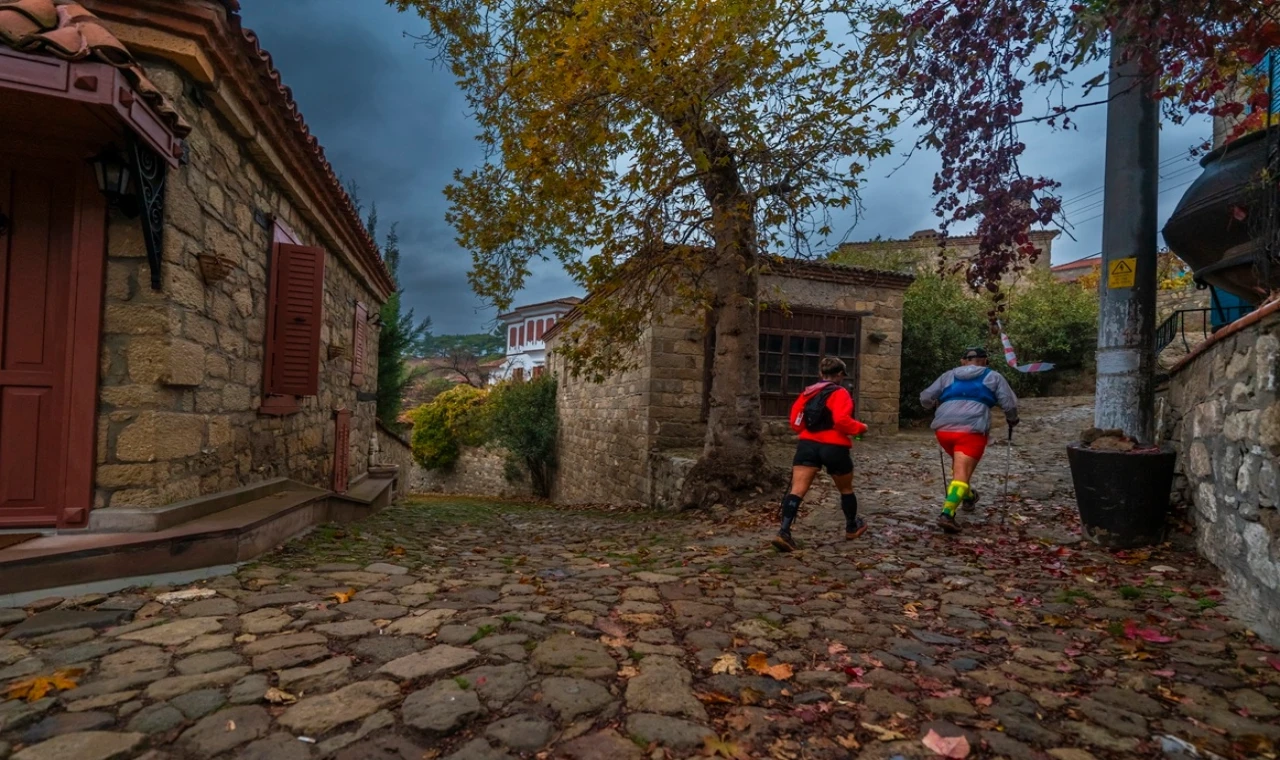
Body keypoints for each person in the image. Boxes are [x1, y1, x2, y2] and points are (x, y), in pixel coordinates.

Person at [772, 357, 869, 552]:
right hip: (834, 446)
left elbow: (795, 422)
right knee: (846, 489)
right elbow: (841, 421)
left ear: (820, 374)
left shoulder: (807, 393)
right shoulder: (840, 393)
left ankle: (784, 531)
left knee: (797, 490)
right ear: (840, 375)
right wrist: (860, 428)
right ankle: (852, 526)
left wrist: (808, 433)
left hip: (807, 445)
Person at [919, 346, 1019, 534]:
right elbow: (1009, 403)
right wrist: (1012, 419)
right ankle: (947, 514)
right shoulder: (994, 376)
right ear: (985, 361)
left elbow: (925, 397)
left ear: (963, 361)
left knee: (960, 469)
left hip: (944, 431)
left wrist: (932, 405)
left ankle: (969, 496)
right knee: (961, 474)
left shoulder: (948, 376)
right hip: (971, 430)